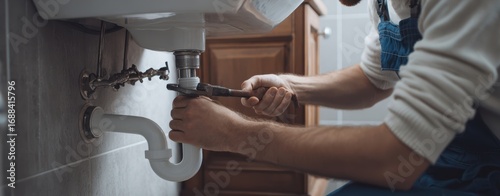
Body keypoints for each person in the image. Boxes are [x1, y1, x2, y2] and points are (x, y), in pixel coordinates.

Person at [169, 0, 500, 195]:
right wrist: (291, 84)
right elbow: (373, 79)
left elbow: (397, 156)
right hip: (449, 153)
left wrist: (233, 134)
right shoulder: (385, 4)